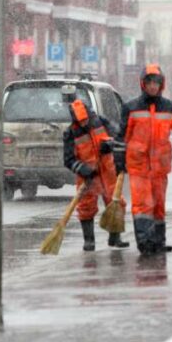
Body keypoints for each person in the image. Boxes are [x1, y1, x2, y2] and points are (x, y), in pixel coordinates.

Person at [113, 63, 172, 254]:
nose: (153, 86)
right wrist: (119, 160)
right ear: (143, 84)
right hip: (138, 166)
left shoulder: (170, 108)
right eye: (149, 82)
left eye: (156, 82)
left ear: (161, 84)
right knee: (142, 205)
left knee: (158, 205)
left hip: (160, 167)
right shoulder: (131, 107)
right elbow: (122, 136)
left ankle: (158, 241)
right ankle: (144, 242)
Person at [63, 99, 129, 251]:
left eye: (86, 119)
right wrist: (83, 169)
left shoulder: (101, 122)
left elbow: (117, 138)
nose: (84, 123)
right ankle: (89, 240)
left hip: (108, 170)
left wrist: (109, 145)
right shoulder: (70, 133)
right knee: (86, 206)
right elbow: (68, 159)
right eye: (81, 121)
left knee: (116, 202)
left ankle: (115, 237)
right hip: (87, 175)